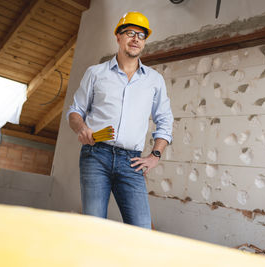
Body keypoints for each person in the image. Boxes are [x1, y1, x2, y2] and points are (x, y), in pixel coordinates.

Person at [67, 11, 173, 229]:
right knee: (94, 226)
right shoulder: (95, 73)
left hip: (131, 162)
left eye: (142, 35)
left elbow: (165, 120)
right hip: (96, 155)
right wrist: (82, 128)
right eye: (130, 33)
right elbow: (75, 111)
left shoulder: (154, 80)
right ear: (118, 37)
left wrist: (155, 155)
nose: (136, 39)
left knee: (141, 229)